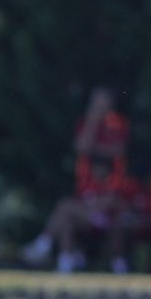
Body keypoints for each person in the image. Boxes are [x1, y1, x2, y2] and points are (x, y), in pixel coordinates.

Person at [21, 86, 131, 273]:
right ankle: (64, 263)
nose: (98, 106)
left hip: (109, 209)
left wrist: (95, 148)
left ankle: (44, 243)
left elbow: (116, 151)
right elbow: (81, 147)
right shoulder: (87, 123)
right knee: (66, 215)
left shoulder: (117, 126)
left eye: (102, 102)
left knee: (65, 208)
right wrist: (93, 120)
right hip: (88, 208)